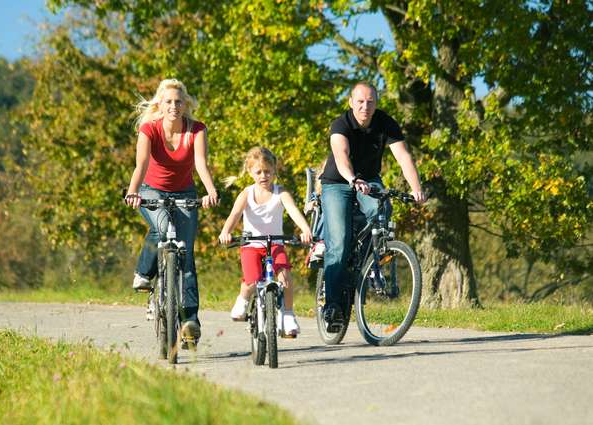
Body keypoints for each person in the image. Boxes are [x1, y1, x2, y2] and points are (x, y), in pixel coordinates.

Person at [319, 82, 425, 330]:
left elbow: (403, 156)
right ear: (350, 102)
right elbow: (341, 156)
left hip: (369, 180)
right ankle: (333, 307)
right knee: (339, 242)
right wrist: (352, 179)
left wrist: (416, 188)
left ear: (376, 103)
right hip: (338, 182)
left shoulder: (386, 122)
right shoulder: (341, 124)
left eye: (370, 102)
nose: (365, 107)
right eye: (360, 101)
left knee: (383, 210)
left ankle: (370, 260)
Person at [124, 78, 218, 345]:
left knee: (186, 256)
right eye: (168, 102)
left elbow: (200, 163)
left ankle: (190, 321)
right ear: (160, 104)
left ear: (185, 104)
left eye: (178, 101)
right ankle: (144, 272)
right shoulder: (149, 129)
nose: (174, 106)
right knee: (161, 228)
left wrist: (210, 191)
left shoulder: (196, 130)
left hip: (185, 193)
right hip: (151, 190)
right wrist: (133, 192)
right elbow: (141, 164)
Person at [218, 147, 312, 337]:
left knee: (284, 276)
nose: (263, 176)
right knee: (251, 280)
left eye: (268, 171)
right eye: (258, 172)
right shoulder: (246, 193)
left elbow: (293, 211)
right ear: (250, 172)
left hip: (275, 244)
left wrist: (305, 229)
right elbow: (234, 215)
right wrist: (226, 231)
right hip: (252, 245)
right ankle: (243, 300)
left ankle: (287, 314)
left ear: (274, 171)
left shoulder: (280, 193)